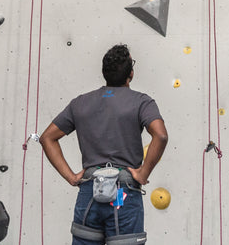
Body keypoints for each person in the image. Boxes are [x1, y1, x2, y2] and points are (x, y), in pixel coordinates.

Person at [40, 44, 168, 245]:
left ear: (104, 72)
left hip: (89, 191)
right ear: (131, 74)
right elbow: (160, 136)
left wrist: (71, 177)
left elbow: (47, 137)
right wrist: (143, 174)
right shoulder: (141, 102)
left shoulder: (80, 103)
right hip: (124, 195)